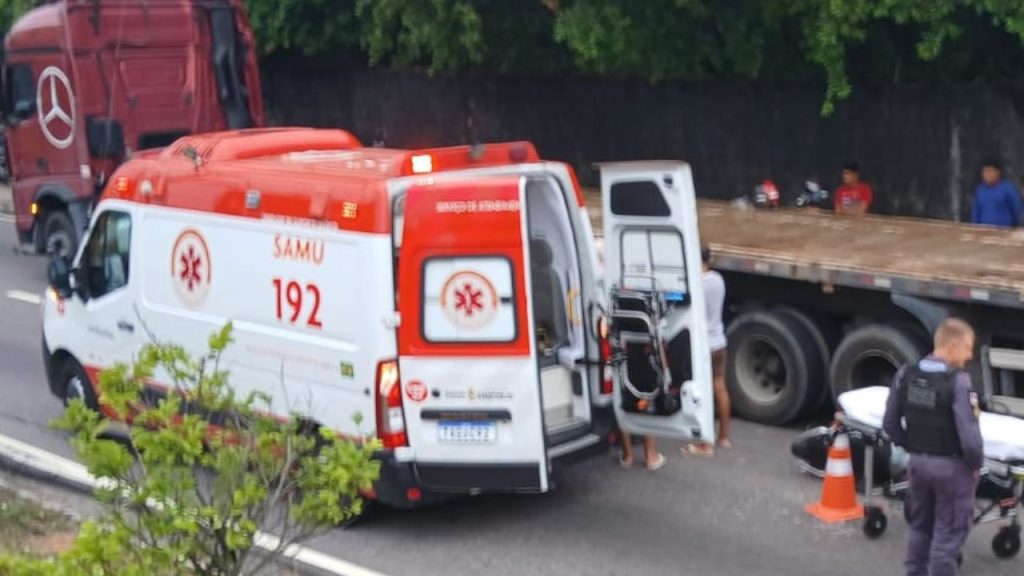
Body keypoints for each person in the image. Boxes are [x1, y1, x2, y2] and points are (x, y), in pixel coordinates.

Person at [882, 318, 984, 576]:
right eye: (968, 348)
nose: (970, 355)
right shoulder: (958, 382)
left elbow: (890, 423)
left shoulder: (906, 373)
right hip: (952, 468)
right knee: (947, 540)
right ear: (952, 347)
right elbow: (969, 436)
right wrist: (975, 465)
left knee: (920, 528)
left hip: (918, 464)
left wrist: (913, 446)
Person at [683, 246, 732, 456]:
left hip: (703, 346)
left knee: (702, 393)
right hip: (719, 341)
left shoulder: (696, 284)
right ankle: (724, 436)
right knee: (720, 387)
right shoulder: (718, 280)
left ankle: (704, 442)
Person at [971, 159, 1022, 228]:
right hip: (983, 232)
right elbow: (976, 213)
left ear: (998, 172)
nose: (987, 175)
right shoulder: (980, 190)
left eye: (990, 171)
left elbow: (1017, 210)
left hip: (1005, 233)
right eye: (985, 172)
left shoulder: (1008, 189)